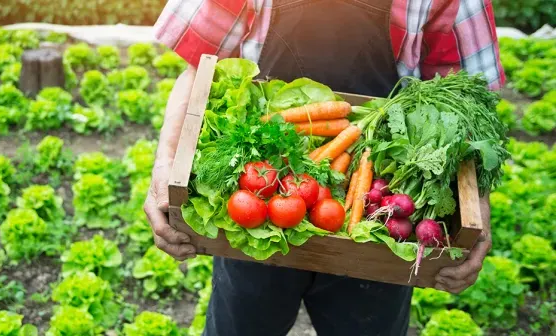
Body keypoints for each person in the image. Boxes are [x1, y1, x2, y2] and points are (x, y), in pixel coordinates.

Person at [145, 0, 503, 335]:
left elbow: (465, 106)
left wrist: (476, 213)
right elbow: (199, 66)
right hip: (258, 209)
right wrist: (164, 169)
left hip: (375, 222)